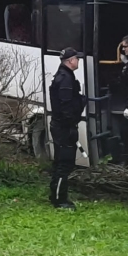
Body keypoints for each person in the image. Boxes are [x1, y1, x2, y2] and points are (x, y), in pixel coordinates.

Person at [49, 47, 86, 209]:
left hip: (63, 127)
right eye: (76, 58)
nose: (78, 61)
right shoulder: (65, 79)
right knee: (64, 163)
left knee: (61, 162)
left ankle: (56, 195)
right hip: (64, 128)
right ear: (70, 61)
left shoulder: (65, 76)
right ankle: (59, 199)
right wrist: (71, 127)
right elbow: (65, 107)